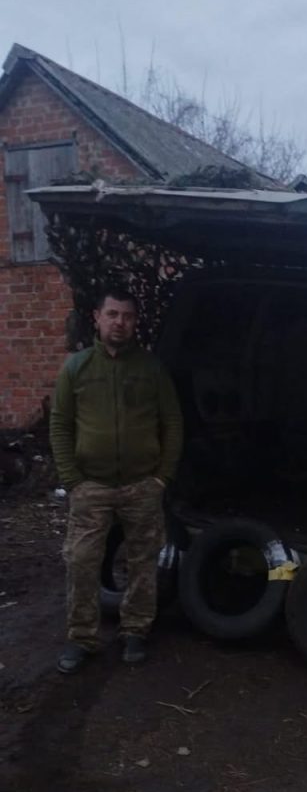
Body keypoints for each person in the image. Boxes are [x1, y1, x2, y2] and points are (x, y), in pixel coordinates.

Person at [50, 285, 183, 673]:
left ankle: (135, 631)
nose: (119, 322)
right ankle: (81, 637)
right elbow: (60, 425)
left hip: (142, 485)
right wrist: (72, 480)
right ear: (97, 318)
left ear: (134, 322)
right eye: (112, 314)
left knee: (143, 561)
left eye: (127, 316)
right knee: (81, 561)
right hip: (90, 486)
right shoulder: (76, 368)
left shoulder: (151, 369)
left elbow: (172, 423)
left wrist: (162, 477)